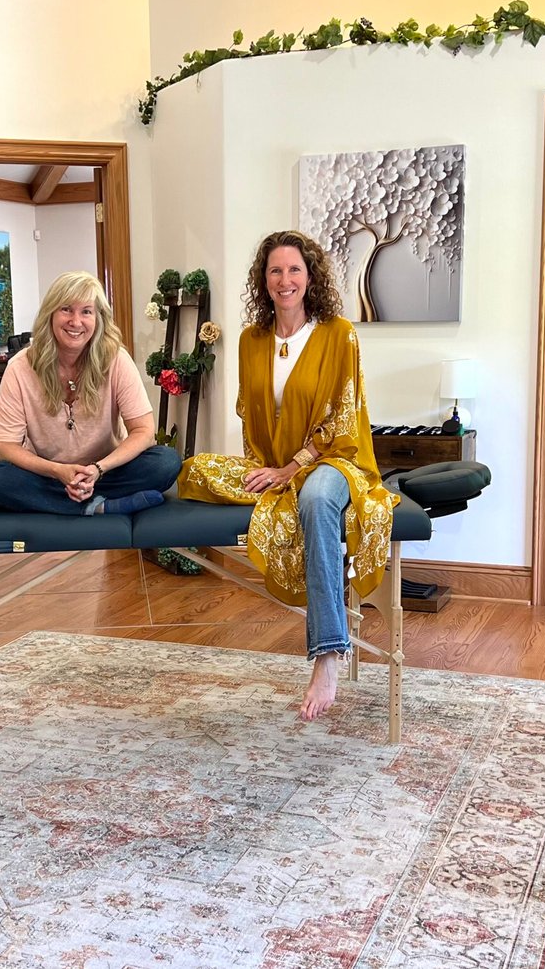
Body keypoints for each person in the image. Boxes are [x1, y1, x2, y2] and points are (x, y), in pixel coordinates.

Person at [177, 230, 396, 722]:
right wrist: (266, 469)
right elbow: (249, 415)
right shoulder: (251, 340)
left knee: (316, 499)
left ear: (310, 276)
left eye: (294, 269)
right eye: (275, 270)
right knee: (195, 469)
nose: (285, 279)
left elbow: (341, 417)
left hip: (334, 460)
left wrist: (292, 468)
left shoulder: (338, 333)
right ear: (264, 280)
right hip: (274, 462)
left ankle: (328, 654)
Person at [0, 271, 181, 515]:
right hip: (47, 475)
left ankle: (68, 503)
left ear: (98, 318)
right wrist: (57, 471)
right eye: (66, 309)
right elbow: (6, 446)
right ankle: (98, 507)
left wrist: (98, 469)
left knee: (166, 462)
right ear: (50, 314)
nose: (76, 321)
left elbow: (143, 431)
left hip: (106, 472)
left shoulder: (117, 359)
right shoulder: (19, 368)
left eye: (86, 311)